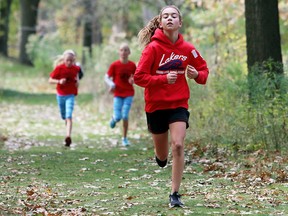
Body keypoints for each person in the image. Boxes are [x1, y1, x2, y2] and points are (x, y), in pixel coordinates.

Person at [134, 5, 209, 208]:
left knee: (178, 145)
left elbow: (204, 71)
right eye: (165, 16)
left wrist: (196, 75)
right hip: (156, 105)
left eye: (173, 16)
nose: (169, 18)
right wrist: (163, 79)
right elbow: (139, 77)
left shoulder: (188, 49)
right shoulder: (153, 48)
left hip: (178, 104)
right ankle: (161, 158)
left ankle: (174, 194)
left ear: (179, 22)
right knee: (162, 156)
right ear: (160, 22)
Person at [104, 43, 136, 147]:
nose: (123, 52)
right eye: (122, 50)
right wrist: (111, 84)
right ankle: (114, 119)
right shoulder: (114, 65)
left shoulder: (132, 65)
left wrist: (133, 80)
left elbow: (136, 77)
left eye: (126, 50)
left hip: (129, 93)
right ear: (119, 52)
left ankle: (125, 138)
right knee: (118, 117)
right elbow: (106, 77)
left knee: (125, 116)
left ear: (129, 52)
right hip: (117, 93)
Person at [49, 50, 80, 147]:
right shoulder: (59, 68)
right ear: (64, 60)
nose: (69, 62)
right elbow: (50, 80)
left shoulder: (76, 69)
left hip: (70, 95)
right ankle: (67, 130)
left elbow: (77, 80)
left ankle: (68, 136)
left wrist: (77, 83)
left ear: (73, 60)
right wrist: (59, 81)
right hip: (61, 95)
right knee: (64, 116)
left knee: (69, 116)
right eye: (67, 60)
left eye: (71, 60)